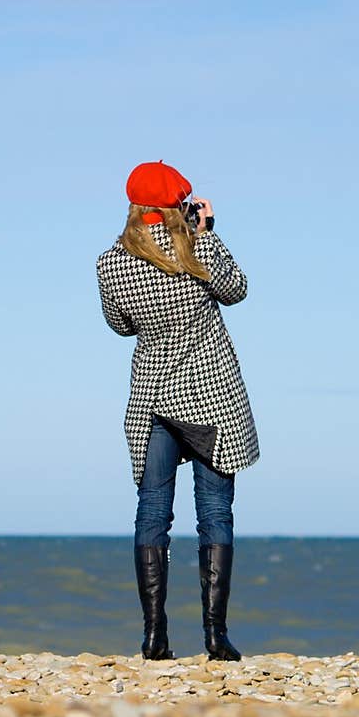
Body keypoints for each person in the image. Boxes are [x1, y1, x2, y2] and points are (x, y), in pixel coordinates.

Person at [96, 159, 260, 662]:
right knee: (214, 513)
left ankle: (154, 637)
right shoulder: (195, 246)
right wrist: (206, 233)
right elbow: (237, 291)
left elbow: (120, 326)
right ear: (179, 205)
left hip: (152, 396)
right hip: (210, 397)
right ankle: (215, 637)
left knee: (152, 512)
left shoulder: (111, 261)